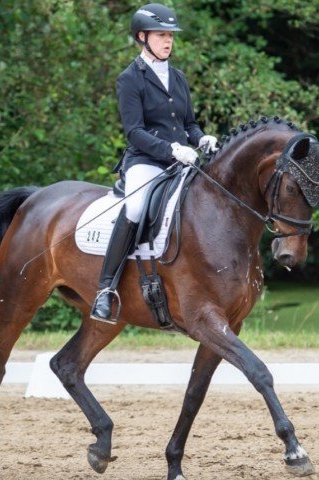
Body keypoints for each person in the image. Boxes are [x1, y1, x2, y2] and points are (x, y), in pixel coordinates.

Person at [90, 3, 219, 323]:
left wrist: (202, 138)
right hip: (146, 161)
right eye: (161, 35)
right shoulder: (129, 79)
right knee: (134, 207)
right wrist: (173, 150)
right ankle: (105, 290)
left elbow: (189, 123)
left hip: (181, 161)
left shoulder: (177, 77)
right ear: (142, 37)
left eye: (171, 36)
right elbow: (135, 132)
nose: (168, 41)